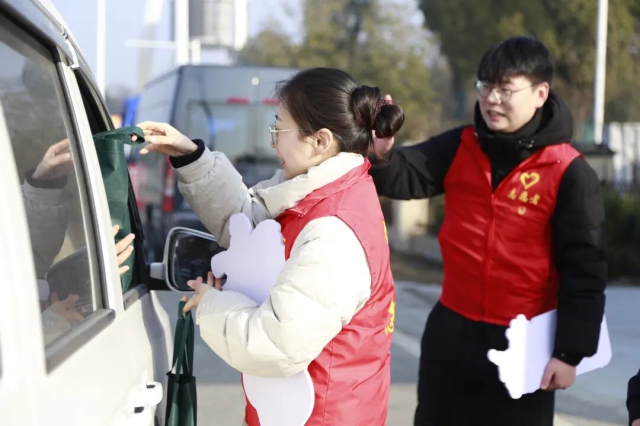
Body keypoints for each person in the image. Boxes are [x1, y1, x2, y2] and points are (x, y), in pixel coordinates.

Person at [133, 67, 404, 425]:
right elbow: (248, 224)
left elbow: (277, 344)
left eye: (279, 129)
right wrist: (191, 156)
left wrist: (211, 304)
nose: (273, 142)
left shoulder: (333, 231)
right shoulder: (321, 192)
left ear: (320, 141)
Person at [369, 36, 607, 425]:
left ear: (540, 93)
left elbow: (585, 268)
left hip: (524, 343)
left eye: (505, 89)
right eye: (485, 86)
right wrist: (380, 153)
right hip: (452, 332)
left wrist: (569, 353)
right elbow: (406, 174)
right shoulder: (461, 145)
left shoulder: (568, 171)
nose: (492, 99)